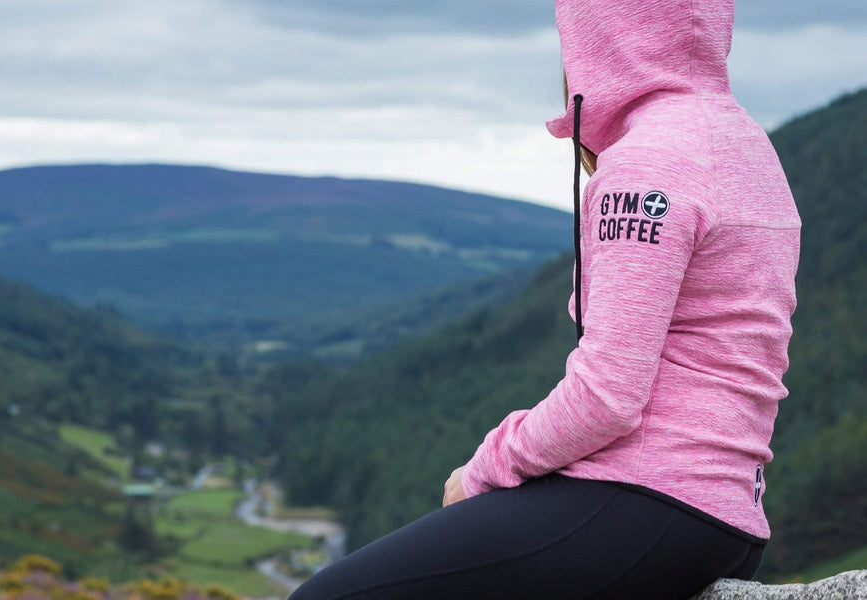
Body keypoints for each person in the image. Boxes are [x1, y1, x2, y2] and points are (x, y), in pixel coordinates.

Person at [289, 0, 801, 598]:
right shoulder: (746, 145)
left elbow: (608, 395)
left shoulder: (650, 162)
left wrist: (481, 471)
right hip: (725, 514)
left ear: (597, 37)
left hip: (647, 499)